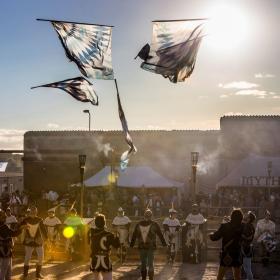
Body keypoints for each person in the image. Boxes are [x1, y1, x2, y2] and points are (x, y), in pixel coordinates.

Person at [130, 209, 167, 280]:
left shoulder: (139, 224)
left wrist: (131, 245)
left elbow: (134, 235)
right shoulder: (154, 224)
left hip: (143, 247)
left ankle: (144, 278)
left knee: (144, 264)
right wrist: (164, 244)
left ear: (144, 216)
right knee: (150, 264)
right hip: (150, 247)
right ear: (151, 216)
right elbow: (160, 235)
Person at [209, 208, 244, 280]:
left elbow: (214, 238)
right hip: (237, 253)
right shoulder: (243, 226)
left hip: (226, 254)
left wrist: (210, 234)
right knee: (237, 277)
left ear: (231, 216)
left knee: (220, 277)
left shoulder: (224, 226)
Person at [89, 214, 120, 280]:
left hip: (95, 258)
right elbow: (117, 245)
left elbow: (88, 242)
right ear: (104, 223)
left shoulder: (91, 233)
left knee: (96, 278)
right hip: (105, 258)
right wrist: (117, 236)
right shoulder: (109, 235)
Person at [20, 206, 47, 279]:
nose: (33, 213)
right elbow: (19, 227)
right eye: (32, 211)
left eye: (34, 211)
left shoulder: (40, 219)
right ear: (30, 212)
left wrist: (47, 239)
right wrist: (23, 227)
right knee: (27, 258)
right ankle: (25, 274)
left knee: (41, 257)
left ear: (36, 212)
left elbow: (43, 230)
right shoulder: (25, 220)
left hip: (38, 240)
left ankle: (38, 274)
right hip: (29, 241)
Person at [0, 209, 26, 280]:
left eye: (4, 217)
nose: (5, 218)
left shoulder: (4, 226)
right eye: (3, 217)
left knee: (8, 271)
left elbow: (12, 233)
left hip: (7, 250)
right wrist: (21, 228)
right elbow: (13, 233)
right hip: (5, 250)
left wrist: (20, 228)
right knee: (3, 271)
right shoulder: (3, 227)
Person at [241, 211, 256, 280]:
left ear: (249, 218)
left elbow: (247, 238)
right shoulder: (251, 226)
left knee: (246, 268)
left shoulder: (248, 226)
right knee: (247, 267)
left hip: (245, 247)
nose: (245, 215)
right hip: (248, 246)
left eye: (247, 215)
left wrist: (240, 235)